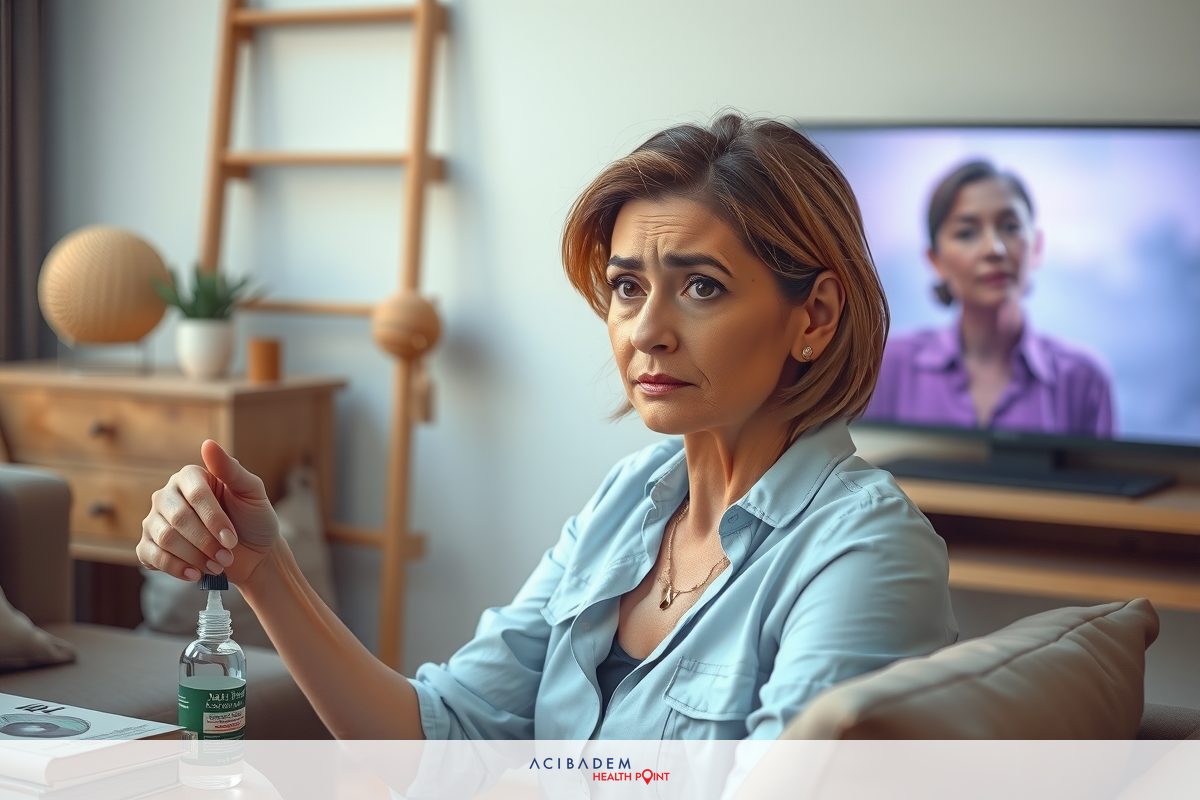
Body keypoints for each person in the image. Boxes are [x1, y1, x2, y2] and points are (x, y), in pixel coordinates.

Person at [138, 113, 957, 742]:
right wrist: (263, 568)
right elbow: (438, 734)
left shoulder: (868, 554)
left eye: (702, 287)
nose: (646, 332)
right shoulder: (627, 500)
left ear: (813, 316)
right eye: (628, 288)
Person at [864, 160, 1115, 437]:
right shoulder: (889, 366)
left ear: (1037, 248)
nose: (994, 249)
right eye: (967, 232)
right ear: (935, 261)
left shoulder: (1083, 378)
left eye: (1010, 227)